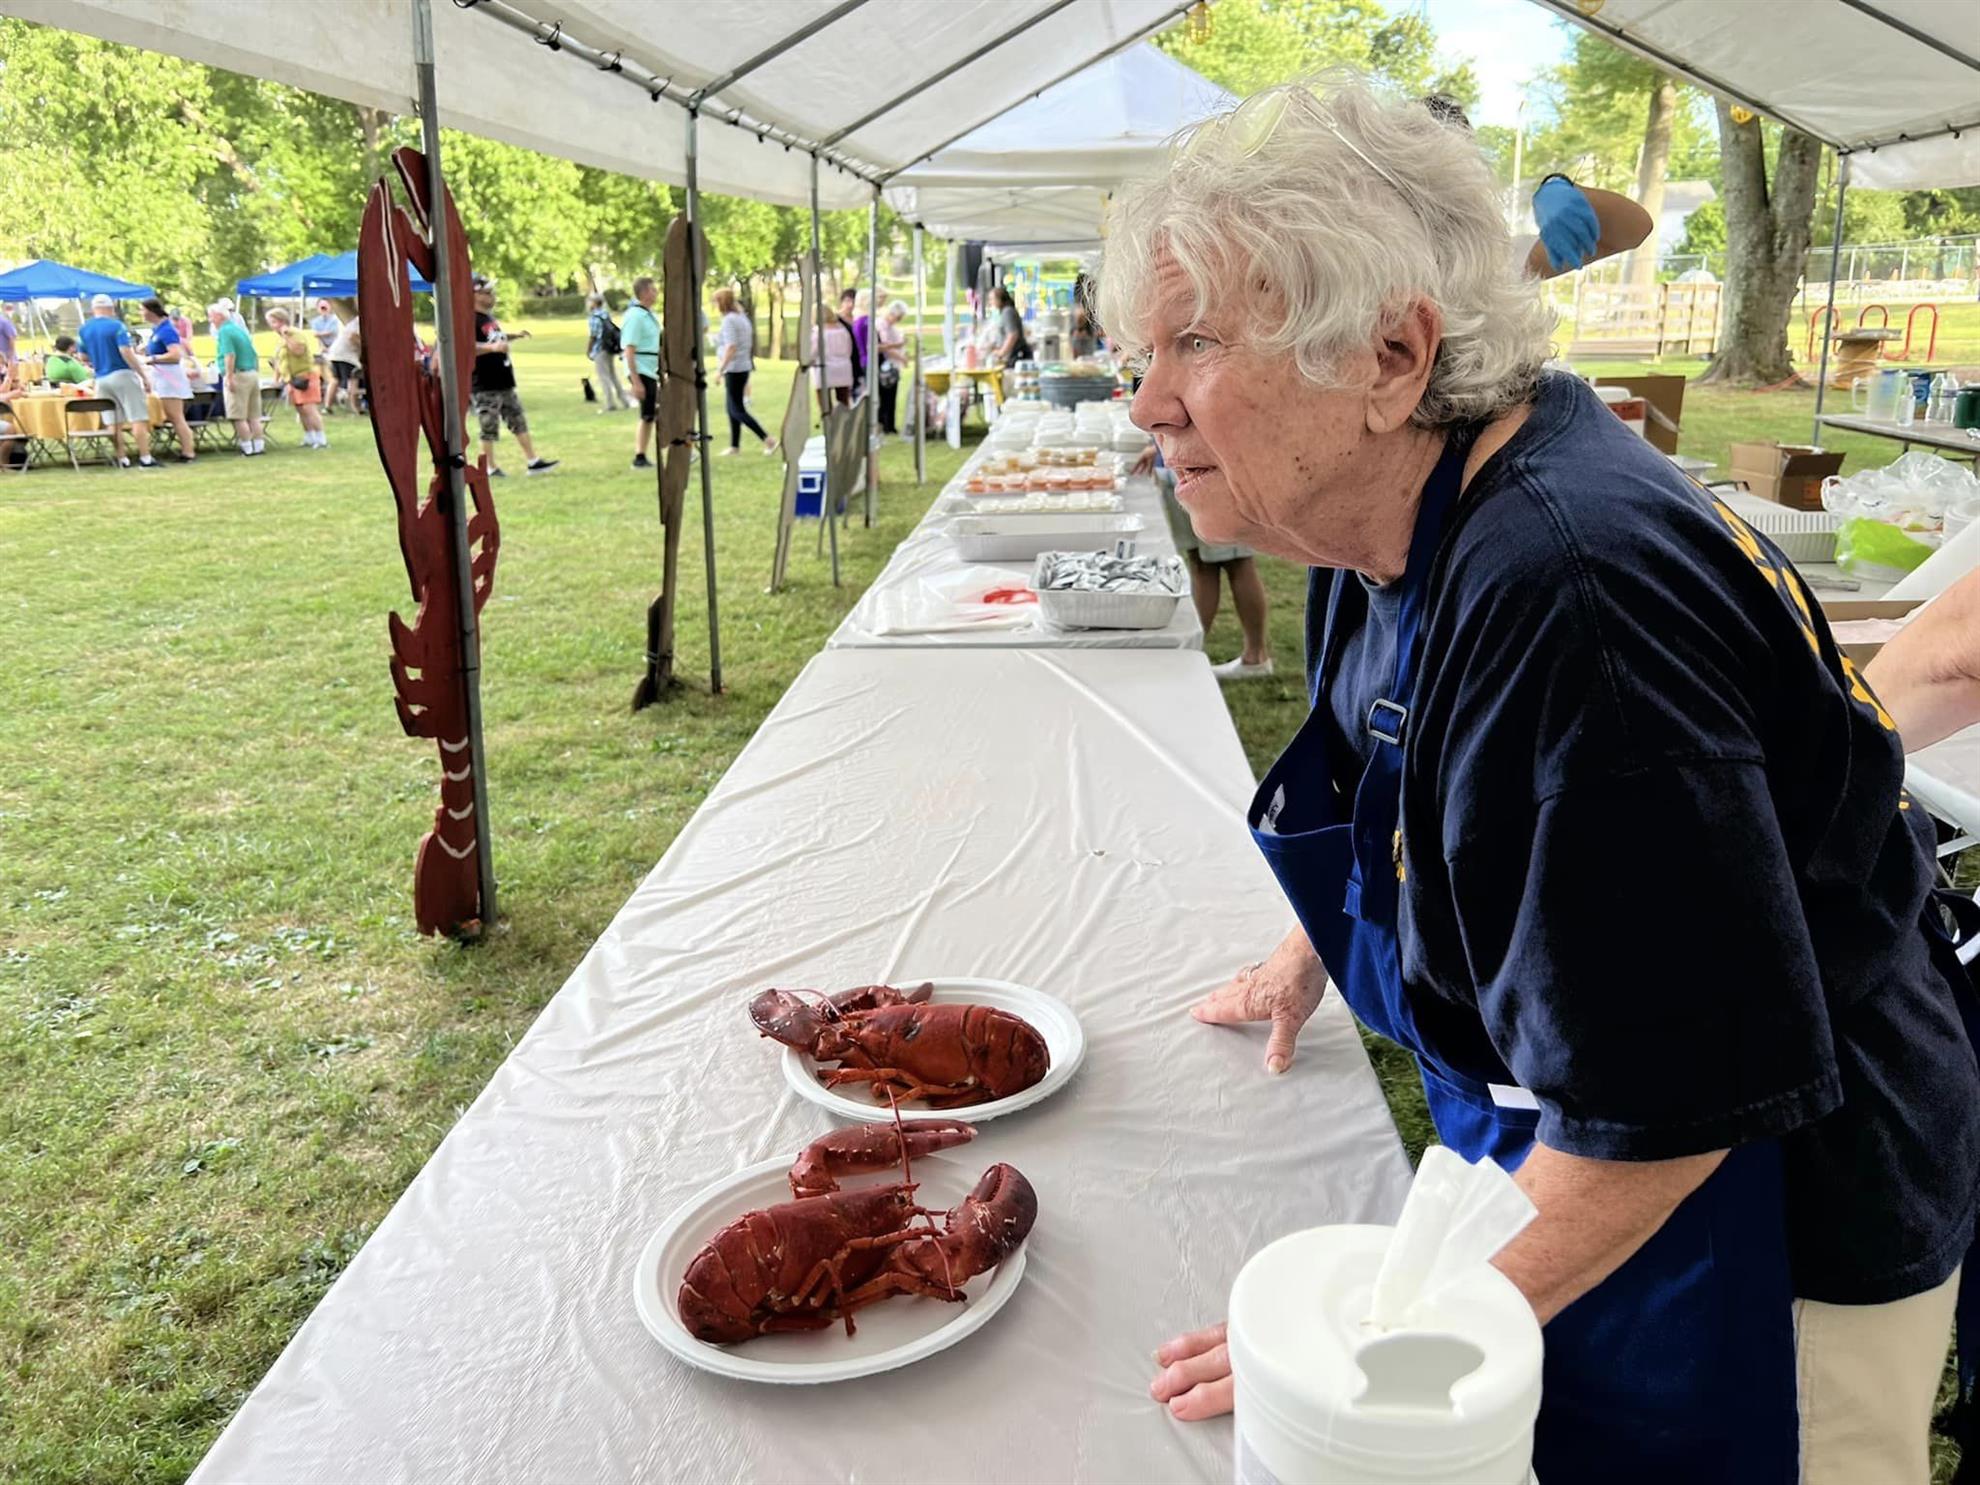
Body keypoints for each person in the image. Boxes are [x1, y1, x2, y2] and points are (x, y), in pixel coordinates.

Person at [1102, 78, 1980, 1480]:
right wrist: (1307, 951)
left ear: (1393, 356)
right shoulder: (1374, 511)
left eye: (1193, 343)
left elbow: (1671, 1104)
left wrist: (1387, 1349)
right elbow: (1407, 788)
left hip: (1772, 1207)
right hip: (1590, 1126)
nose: (1144, 401)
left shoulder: (1576, 605)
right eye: (1137, 351)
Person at [470, 276, 556, 477]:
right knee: (488, 426)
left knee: (518, 420)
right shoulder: (469, 319)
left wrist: (513, 336)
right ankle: (490, 468)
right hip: (485, 383)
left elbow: (495, 338)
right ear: (475, 295)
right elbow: (467, 346)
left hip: (504, 381)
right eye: (487, 292)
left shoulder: (488, 318)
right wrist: (492, 348)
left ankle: (533, 461)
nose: (492, 296)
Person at [78, 295, 160, 469]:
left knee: (112, 421)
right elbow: (125, 351)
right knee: (137, 417)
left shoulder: (84, 329)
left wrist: (98, 359)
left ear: (93, 309)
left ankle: (122, 457)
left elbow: (83, 356)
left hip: (101, 377)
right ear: (111, 308)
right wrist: (142, 375)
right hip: (122, 373)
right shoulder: (117, 326)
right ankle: (145, 457)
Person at [712, 286, 773, 456]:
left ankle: (768, 439)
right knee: (731, 408)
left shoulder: (729, 320)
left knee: (737, 410)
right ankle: (734, 446)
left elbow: (731, 346)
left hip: (734, 368)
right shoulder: (742, 318)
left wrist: (720, 369)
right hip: (743, 365)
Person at [139, 300, 197, 463]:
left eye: (142, 310)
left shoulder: (167, 330)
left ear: (151, 311)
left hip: (169, 377)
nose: (140, 314)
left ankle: (188, 452)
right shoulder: (157, 330)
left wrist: (153, 358)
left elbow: (175, 355)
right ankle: (186, 450)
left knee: (176, 416)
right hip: (161, 377)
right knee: (172, 416)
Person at [207, 300, 264, 456]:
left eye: (211, 316)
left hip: (238, 375)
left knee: (238, 416)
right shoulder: (239, 329)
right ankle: (259, 446)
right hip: (251, 373)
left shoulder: (224, 332)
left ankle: (247, 448)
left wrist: (229, 376)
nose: (210, 320)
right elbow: (253, 353)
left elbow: (229, 355)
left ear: (219, 316)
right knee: (254, 415)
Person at [266, 308, 327, 449]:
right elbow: (279, 361)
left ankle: (321, 438)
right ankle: (309, 436)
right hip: (292, 379)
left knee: (309, 408)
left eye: (273, 322)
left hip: (305, 376)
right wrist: (277, 379)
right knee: (300, 409)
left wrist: (287, 336)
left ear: (282, 321)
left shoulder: (295, 334)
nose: (271, 326)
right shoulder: (279, 340)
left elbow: (298, 351)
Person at [622, 275, 662, 471]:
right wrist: (636, 381)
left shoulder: (647, 315)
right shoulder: (635, 316)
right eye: (653, 290)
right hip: (642, 369)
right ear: (645, 292)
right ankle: (639, 456)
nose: (656, 293)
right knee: (648, 415)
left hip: (651, 369)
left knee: (651, 414)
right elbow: (629, 349)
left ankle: (642, 454)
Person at [586, 292, 629, 413]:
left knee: (603, 377)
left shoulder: (594, 317)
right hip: (609, 348)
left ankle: (610, 403)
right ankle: (624, 400)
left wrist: (589, 350)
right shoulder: (605, 314)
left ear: (594, 303)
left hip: (600, 349)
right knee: (613, 375)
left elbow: (593, 336)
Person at [810, 304, 854, 415]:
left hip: (825, 368)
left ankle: (828, 421)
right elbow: (849, 348)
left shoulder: (817, 332)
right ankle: (843, 422)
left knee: (825, 404)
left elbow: (813, 352)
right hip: (843, 367)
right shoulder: (842, 329)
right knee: (843, 401)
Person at [873, 299, 907, 436]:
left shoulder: (892, 327)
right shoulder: (882, 325)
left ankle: (889, 424)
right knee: (886, 396)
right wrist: (901, 357)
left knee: (891, 396)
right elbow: (886, 347)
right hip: (885, 365)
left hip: (893, 364)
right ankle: (885, 423)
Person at [324, 312, 362, 414]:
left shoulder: (353, 322)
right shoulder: (361, 322)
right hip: (347, 356)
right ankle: (356, 408)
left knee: (335, 380)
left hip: (335, 353)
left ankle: (327, 407)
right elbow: (352, 336)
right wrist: (364, 346)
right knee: (353, 380)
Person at [989, 284, 1030, 366]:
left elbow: (1013, 335)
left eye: (991, 299)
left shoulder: (1007, 312)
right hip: (1013, 356)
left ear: (999, 299)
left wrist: (1002, 352)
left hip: (1015, 357)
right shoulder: (1005, 312)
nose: (990, 302)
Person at [837, 288, 864, 397]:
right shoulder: (836, 320)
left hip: (857, 360)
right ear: (842, 302)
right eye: (847, 301)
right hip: (843, 360)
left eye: (853, 301)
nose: (850, 305)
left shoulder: (858, 320)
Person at [0, 300, 17, 384]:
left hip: (7, 361)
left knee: (11, 383)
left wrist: (10, 358)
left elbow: (12, 338)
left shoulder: (3, 322)